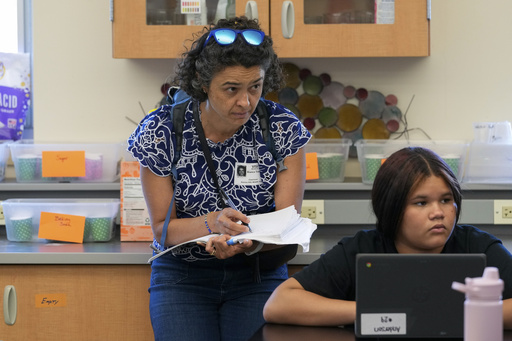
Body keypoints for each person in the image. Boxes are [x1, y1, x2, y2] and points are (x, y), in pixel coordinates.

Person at [127, 16, 311, 341]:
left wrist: (245, 243)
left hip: (257, 274)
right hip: (183, 275)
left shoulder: (281, 127)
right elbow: (162, 228)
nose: (245, 102)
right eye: (231, 89)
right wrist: (215, 223)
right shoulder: (163, 131)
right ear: (202, 81)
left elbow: (286, 223)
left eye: (254, 87)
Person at [263, 146, 512, 328]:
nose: (439, 213)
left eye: (446, 200)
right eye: (421, 202)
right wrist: (376, 312)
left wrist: (467, 313)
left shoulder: (478, 247)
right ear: (391, 207)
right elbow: (279, 304)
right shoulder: (361, 249)